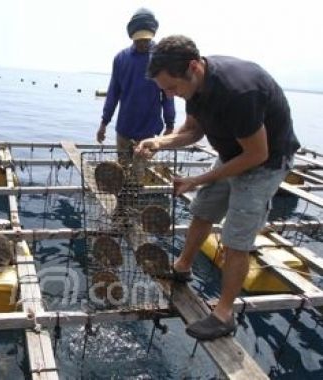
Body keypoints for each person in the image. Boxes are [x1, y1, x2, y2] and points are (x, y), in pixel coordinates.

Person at [135, 35, 300, 340]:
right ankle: (182, 267)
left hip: (266, 162)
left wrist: (198, 179)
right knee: (203, 209)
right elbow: (192, 132)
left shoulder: (239, 92)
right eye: (165, 90)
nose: (170, 95)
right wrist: (158, 141)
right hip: (233, 152)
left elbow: (256, 155)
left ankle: (224, 315)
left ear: (194, 67)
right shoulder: (193, 87)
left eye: (172, 88)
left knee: (235, 238)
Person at [97, 8, 176, 157]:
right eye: (139, 39)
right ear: (132, 36)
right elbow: (113, 93)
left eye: (146, 39)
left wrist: (170, 124)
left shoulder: (161, 58)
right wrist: (103, 124)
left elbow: (168, 95)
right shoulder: (121, 59)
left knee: (142, 176)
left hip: (150, 131)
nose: (142, 43)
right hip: (124, 129)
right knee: (122, 174)